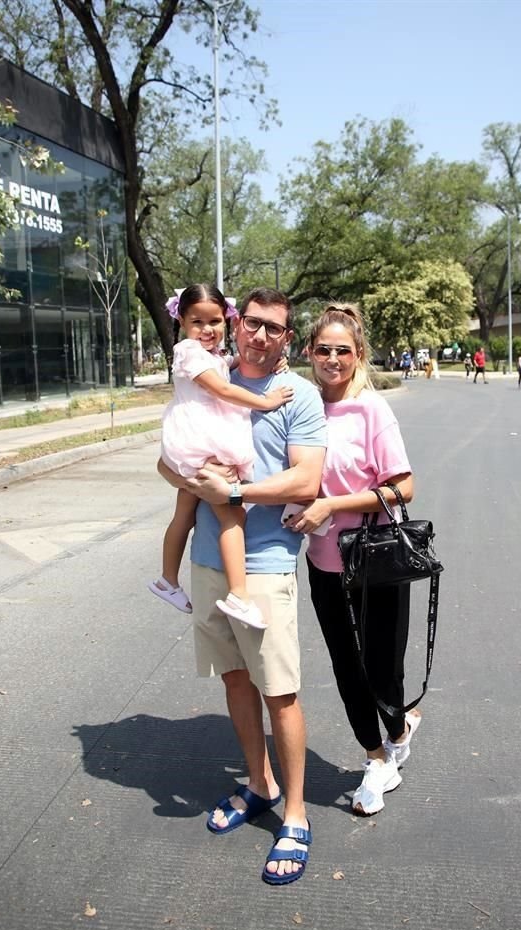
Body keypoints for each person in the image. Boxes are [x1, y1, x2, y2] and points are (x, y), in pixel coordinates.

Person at [157, 287, 327, 885]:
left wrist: (233, 493)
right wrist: (192, 473)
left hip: (266, 564)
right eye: (251, 323)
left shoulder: (298, 396)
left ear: (287, 338)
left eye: (273, 329)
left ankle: (297, 813)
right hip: (209, 561)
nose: (259, 335)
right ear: (238, 324)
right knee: (234, 679)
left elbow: (306, 480)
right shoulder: (212, 373)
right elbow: (164, 460)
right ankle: (259, 784)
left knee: (278, 691)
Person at [283, 303, 420, 817]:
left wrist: (332, 504)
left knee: (383, 669)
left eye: (343, 350)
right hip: (324, 562)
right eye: (324, 349)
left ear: (358, 354)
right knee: (346, 667)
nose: (333, 359)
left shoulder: (372, 410)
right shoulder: (301, 408)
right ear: (309, 353)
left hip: (377, 561)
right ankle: (377, 758)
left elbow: (404, 487)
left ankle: (400, 724)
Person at [149, 284, 293, 630]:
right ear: (181, 320)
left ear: (227, 321)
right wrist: (266, 401)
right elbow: (222, 388)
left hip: (196, 440)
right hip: (201, 442)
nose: (207, 329)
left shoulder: (210, 355)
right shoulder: (187, 351)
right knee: (232, 517)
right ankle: (240, 595)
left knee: (185, 512)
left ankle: (167, 580)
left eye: (215, 321)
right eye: (197, 321)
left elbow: (227, 366)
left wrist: (275, 360)